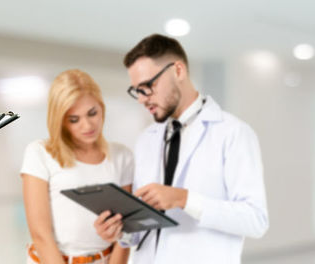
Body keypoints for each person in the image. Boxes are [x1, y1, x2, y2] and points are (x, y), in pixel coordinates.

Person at [93, 34, 269, 263]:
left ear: (178, 70)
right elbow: (144, 229)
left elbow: (255, 220)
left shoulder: (233, 133)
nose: (142, 99)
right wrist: (120, 231)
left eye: (148, 86)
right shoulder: (147, 139)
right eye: (137, 90)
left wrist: (184, 199)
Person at [21, 69, 133, 264]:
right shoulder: (39, 153)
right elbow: (41, 235)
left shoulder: (122, 156)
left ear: (102, 108)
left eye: (92, 113)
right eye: (74, 119)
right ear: (61, 121)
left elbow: (126, 231)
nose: (87, 125)